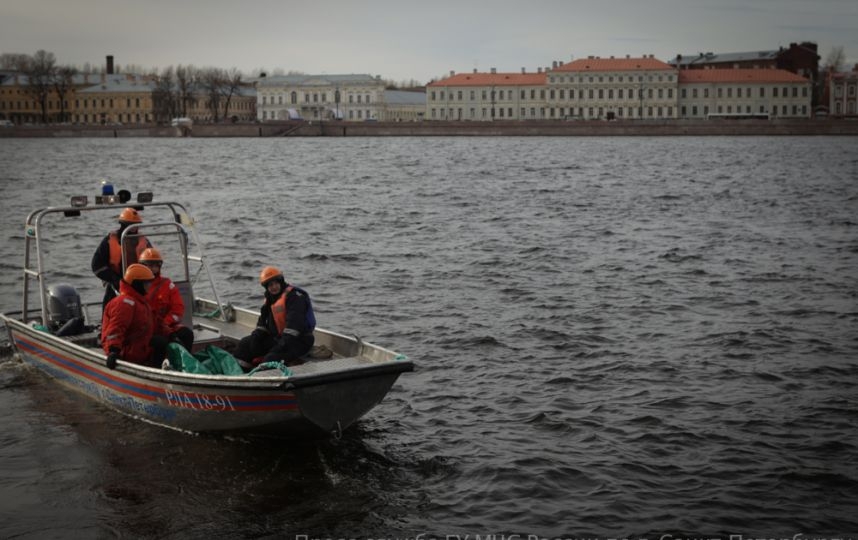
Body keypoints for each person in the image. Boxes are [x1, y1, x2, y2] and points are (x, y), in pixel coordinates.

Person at [234, 266, 316, 370]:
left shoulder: (295, 297)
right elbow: (262, 323)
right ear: (266, 287)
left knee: (270, 359)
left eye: (276, 283)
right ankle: (241, 374)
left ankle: (261, 379)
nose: (274, 287)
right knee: (244, 344)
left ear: (281, 282)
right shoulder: (270, 299)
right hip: (279, 338)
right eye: (270, 285)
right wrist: (256, 337)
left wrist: (278, 347)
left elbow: (294, 327)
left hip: (299, 341)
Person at [101, 263, 168, 369]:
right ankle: (154, 373)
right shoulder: (124, 303)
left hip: (138, 344)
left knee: (162, 342)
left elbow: (156, 322)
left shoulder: (140, 301)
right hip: (125, 351)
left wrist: (171, 334)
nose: (150, 286)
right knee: (159, 344)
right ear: (137, 284)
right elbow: (115, 329)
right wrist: (113, 351)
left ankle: (157, 370)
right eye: (147, 283)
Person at [91, 207, 152, 310]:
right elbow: (97, 266)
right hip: (116, 285)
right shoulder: (109, 241)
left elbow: (153, 262)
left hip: (140, 286)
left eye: (135, 226)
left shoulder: (144, 241)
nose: (133, 229)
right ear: (123, 224)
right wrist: (115, 280)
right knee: (111, 311)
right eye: (130, 226)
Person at [139, 247, 195, 352]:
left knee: (186, 334)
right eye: (149, 265)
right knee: (159, 342)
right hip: (146, 329)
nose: (152, 269)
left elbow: (178, 309)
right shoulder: (136, 286)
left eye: (155, 265)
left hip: (166, 326)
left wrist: (166, 323)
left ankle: (185, 362)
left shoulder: (167, 285)